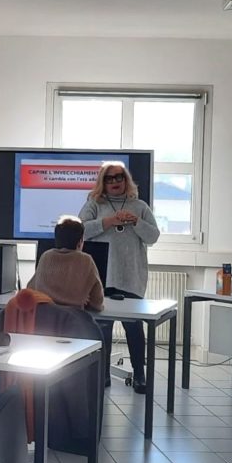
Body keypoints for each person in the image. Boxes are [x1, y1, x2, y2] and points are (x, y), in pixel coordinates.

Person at [79, 162, 160, 394]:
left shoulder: (139, 206)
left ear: (126, 180)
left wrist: (136, 222)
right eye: (109, 178)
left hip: (131, 277)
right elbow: (80, 230)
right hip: (101, 277)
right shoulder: (94, 204)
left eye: (119, 178)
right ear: (102, 182)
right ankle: (102, 373)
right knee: (102, 327)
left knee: (134, 328)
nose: (115, 182)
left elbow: (153, 236)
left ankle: (140, 375)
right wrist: (109, 221)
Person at [27, 216, 104, 311]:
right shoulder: (86, 260)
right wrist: (86, 300)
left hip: (45, 316)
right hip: (73, 317)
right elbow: (97, 302)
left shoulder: (45, 256)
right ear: (80, 242)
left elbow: (30, 288)